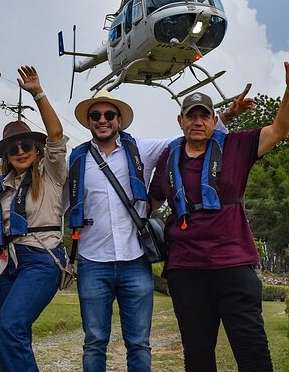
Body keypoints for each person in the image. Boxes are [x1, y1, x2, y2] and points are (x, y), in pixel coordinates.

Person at [67, 87, 251, 372]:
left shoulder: (141, 148)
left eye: (108, 114)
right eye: (95, 115)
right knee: (94, 342)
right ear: (89, 121)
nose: (102, 119)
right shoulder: (76, 160)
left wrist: (225, 116)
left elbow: (191, 136)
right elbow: (61, 201)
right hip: (93, 260)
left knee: (139, 343)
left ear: (119, 119)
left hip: (135, 260)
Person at [148, 62, 289, 372]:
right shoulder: (168, 156)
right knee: (197, 355)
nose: (197, 122)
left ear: (212, 121)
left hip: (233, 265)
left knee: (252, 352)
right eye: (190, 116)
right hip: (185, 269)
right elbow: (151, 200)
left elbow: (279, 129)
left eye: (203, 116)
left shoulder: (237, 146)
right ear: (180, 121)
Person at [0, 65, 67, 372]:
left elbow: (57, 135)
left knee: (10, 328)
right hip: (9, 265)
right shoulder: (2, 190)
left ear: (36, 150)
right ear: (6, 156)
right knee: (7, 332)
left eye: (26, 146)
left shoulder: (51, 174)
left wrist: (38, 93)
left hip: (41, 260)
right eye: (13, 149)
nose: (20, 151)